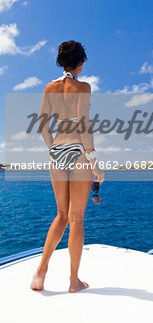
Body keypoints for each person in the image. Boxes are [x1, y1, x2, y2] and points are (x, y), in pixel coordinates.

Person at [30, 40, 104, 293]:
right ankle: (73, 281)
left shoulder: (50, 87)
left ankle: (40, 272)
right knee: (77, 218)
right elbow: (84, 125)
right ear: (80, 63)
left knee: (61, 215)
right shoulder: (83, 87)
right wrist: (95, 164)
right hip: (79, 153)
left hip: (57, 152)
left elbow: (42, 125)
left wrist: (53, 150)